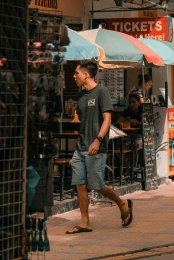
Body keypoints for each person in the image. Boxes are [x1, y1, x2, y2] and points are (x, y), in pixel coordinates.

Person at [67, 61, 133, 234]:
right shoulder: (81, 95)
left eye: (76, 73)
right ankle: (85, 222)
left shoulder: (102, 92)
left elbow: (107, 119)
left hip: (96, 146)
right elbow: (82, 119)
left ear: (86, 74)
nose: (74, 76)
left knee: (97, 186)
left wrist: (97, 140)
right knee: (79, 184)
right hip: (81, 147)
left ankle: (121, 203)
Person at [117, 93, 144, 168]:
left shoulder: (143, 110)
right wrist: (127, 120)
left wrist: (138, 123)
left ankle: (133, 169)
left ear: (139, 103)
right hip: (131, 135)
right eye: (130, 102)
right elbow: (118, 122)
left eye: (134, 102)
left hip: (143, 136)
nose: (131, 104)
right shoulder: (127, 110)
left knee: (134, 145)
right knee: (120, 148)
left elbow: (147, 123)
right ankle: (126, 168)